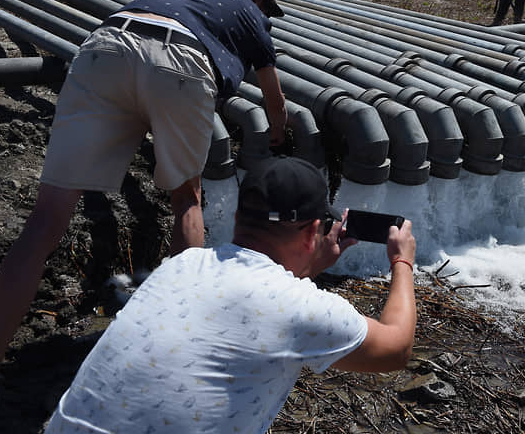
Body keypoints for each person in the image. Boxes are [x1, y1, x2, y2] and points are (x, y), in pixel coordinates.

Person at [0, 0, 289, 396]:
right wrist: (277, 138)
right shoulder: (251, 13)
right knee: (187, 201)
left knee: (46, 219)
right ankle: (167, 357)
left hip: (104, 47)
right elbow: (274, 101)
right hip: (182, 61)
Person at [42, 155, 417, 433]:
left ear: (238, 218)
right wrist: (402, 262)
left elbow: (258, 296)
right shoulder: (299, 306)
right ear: (311, 232)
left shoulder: (181, 265)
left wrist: (311, 265)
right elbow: (396, 348)